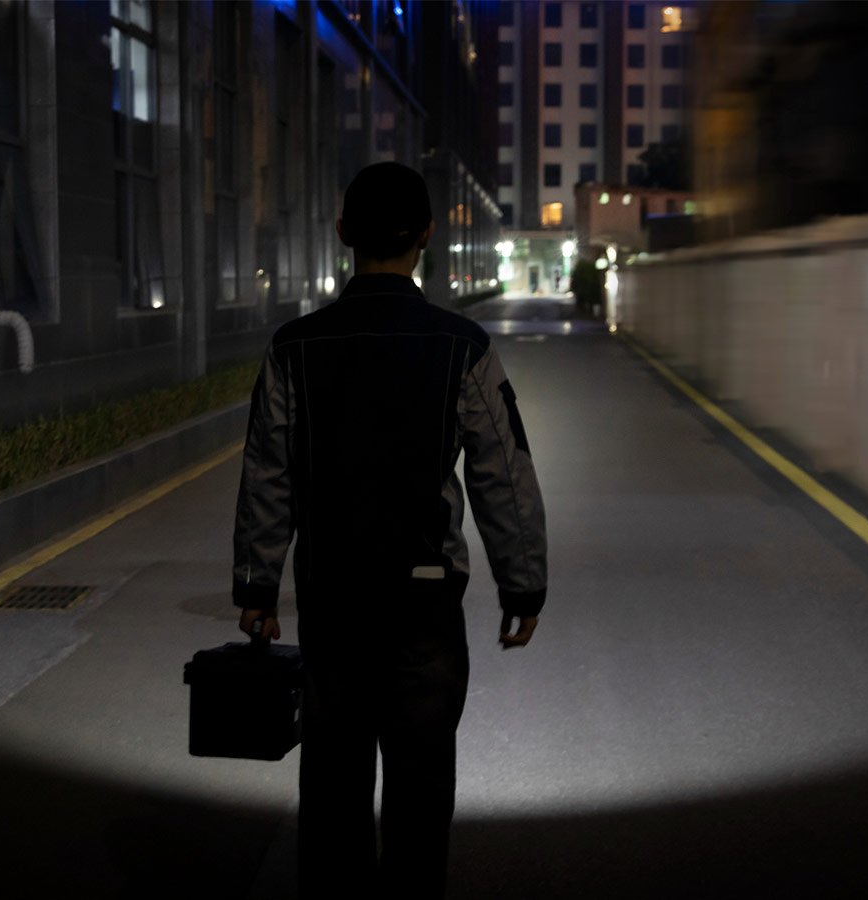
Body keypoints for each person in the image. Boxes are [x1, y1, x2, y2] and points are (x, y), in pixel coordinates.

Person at [232, 161, 547, 899]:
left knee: (333, 783)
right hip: (425, 606)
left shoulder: (294, 347)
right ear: (427, 235)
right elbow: (503, 472)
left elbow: (267, 472)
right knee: (421, 785)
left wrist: (256, 585)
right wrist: (523, 585)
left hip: (332, 598)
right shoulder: (462, 346)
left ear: (343, 232)